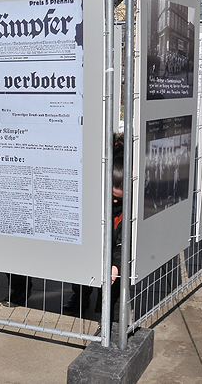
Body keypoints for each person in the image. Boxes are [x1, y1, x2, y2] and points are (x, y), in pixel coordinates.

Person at [62, 134, 124, 318]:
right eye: (111, 195)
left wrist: (116, 264)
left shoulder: (126, 213)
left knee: (115, 280)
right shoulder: (92, 195)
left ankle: (106, 310)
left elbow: (124, 242)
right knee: (83, 269)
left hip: (115, 245)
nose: (113, 201)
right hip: (93, 240)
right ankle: (81, 297)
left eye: (119, 198)